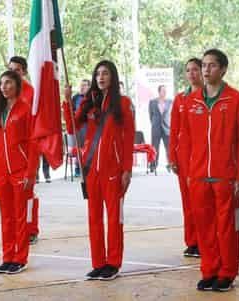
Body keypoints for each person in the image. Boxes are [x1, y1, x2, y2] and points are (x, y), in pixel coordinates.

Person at [182, 49, 239, 292]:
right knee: (205, 228)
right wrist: (189, 173)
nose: (205, 70)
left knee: (227, 229)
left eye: (212, 65)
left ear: (223, 69)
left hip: (226, 176)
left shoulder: (236, 100)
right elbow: (187, 140)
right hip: (199, 176)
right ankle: (209, 270)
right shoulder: (191, 101)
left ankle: (227, 273)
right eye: (204, 65)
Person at [63, 60, 135, 280]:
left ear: (112, 77)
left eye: (105, 74)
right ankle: (98, 263)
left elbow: (128, 138)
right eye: (97, 75)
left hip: (113, 170)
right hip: (90, 170)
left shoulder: (123, 103)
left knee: (114, 218)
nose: (101, 78)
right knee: (94, 218)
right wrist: (67, 101)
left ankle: (113, 263)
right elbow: (72, 127)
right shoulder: (88, 103)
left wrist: (126, 170)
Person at [0, 70, 39, 274]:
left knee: (20, 216)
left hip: (20, 172)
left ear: (17, 85)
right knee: (6, 218)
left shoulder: (26, 110)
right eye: (1, 84)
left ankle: (20, 257)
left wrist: (30, 173)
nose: (4, 87)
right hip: (0, 173)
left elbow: (33, 145)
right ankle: (8, 256)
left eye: (8, 83)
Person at [168, 58, 203, 258]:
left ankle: (204, 239)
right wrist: (172, 156)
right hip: (183, 158)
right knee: (187, 201)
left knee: (201, 201)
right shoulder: (180, 99)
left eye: (195, 69)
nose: (191, 73)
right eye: (188, 70)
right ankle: (192, 242)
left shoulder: (207, 96)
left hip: (202, 157)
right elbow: (174, 130)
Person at [8, 55, 40, 245]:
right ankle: (17, 230)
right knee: (13, 198)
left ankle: (31, 229)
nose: (13, 72)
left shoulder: (31, 93)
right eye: (11, 69)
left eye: (17, 70)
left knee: (28, 195)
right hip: (9, 155)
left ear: (24, 72)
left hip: (28, 151)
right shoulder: (5, 91)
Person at [148, 85, 172, 172]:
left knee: (169, 148)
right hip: (156, 128)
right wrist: (154, 123)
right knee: (155, 148)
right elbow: (151, 115)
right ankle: (153, 166)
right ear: (159, 92)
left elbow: (172, 115)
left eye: (165, 91)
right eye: (163, 91)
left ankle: (170, 165)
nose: (164, 92)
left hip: (167, 128)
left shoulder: (170, 101)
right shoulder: (152, 102)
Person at [70, 79, 90, 177]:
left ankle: (87, 167)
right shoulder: (75, 97)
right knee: (78, 147)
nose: (82, 87)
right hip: (78, 127)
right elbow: (71, 110)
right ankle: (78, 168)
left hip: (88, 125)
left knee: (88, 147)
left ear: (89, 87)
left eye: (84, 85)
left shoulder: (91, 97)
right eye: (81, 85)